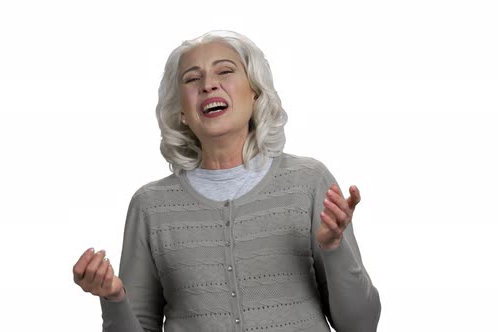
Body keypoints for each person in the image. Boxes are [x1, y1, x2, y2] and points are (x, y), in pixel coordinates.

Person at [73, 30, 381, 332]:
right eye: (192, 78)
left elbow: (361, 325)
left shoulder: (308, 182)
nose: (208, 85)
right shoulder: (150, 206)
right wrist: (113, 298)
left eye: (225, 71)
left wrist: (334, 248)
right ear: (181, 110)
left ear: (255, 92)